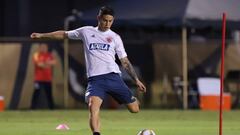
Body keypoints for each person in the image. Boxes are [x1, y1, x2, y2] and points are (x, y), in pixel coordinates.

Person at [30, 6, 146, 135]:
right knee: (93, 106)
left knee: (134, 109)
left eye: (110, 21)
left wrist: (136, 80)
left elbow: (124, 61)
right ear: (98, 18)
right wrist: (42, 35)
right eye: (104, 20)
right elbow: (64, 34)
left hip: (113, 77)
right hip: (95, 80)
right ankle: (96, 133)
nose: (107, 24)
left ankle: (131, 98)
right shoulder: (86, 31)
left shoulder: (115, 37)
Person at [31, 43, 56, 109]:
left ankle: (52, 108)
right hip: (38, 79)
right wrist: (47, 63)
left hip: (47, 79)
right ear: (39, 48)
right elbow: (39, 65)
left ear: (47, 48)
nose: (43, 48)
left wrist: (45, 63)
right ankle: (32, 108)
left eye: (45, 47)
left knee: (49, 94)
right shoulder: (36, 55)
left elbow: (54, 62)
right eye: (42, 47)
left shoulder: (49, 55)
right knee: (36, 94)